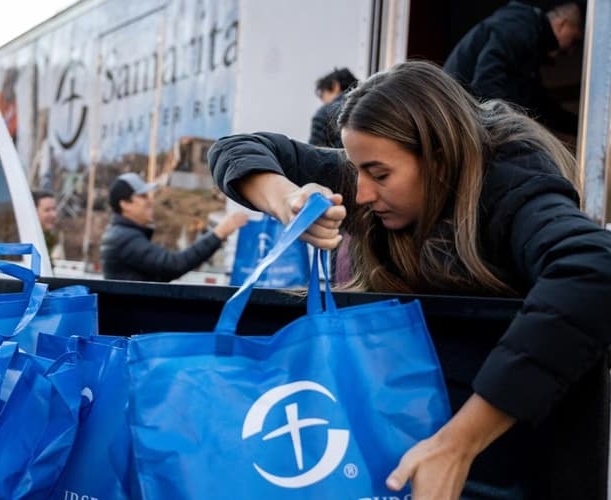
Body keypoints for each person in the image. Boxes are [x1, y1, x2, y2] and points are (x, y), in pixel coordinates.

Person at [208, 60, 611, 498]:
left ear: (438, 158)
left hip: (519, 465)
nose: (361, 193)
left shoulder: (514, 187)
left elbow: (592, 267)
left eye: (380, 175)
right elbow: (235, 148)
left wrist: (457, 444)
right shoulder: (370, 170)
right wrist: (288, 201)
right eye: (358, 170)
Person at [443, 1, 584, 136]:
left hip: (458, 114)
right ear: (562, 24)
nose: (571, 51)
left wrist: (581, 126)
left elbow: (539, 104)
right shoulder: (520, 27)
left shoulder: (527, 34)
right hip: (454, 115)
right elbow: (487, 83)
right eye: (574, 41)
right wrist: (516, 130)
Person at [100, 172, 248, 282]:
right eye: (143, 196)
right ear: (125, 204)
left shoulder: (121, 235)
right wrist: (219, 233)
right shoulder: (125, 238)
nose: (150, 201)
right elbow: (174, 265)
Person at [309, 68, 358, 147]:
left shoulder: (324, 114)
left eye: (322, 95)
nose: (323, 101)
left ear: (335, 85)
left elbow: (312, 154)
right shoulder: (372, 103)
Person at [32, 190, 59, 261]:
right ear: (33, 211)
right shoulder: (27, 241)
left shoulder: (48, 238)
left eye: (54, 209)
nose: (54, 215)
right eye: (47, 210)